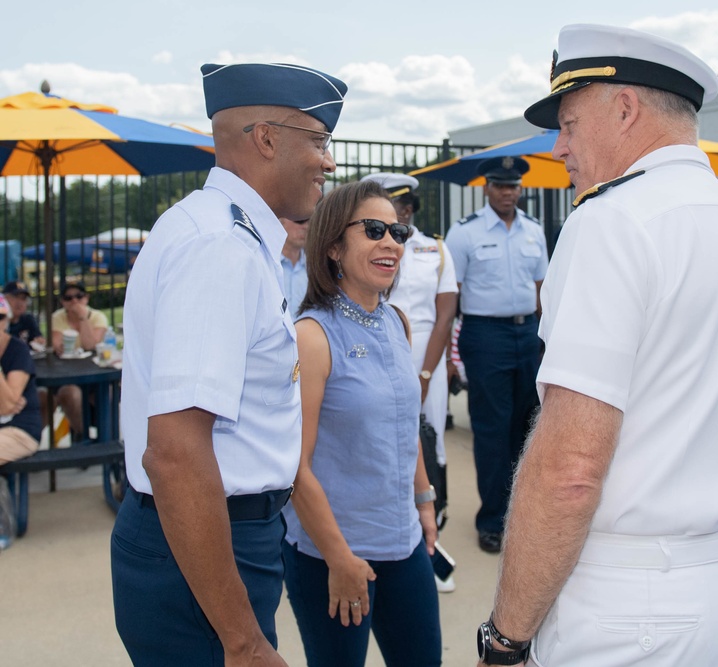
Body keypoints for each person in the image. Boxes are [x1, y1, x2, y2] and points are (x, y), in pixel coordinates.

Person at [477, 24, 718, 667]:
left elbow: (570, 468)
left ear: (624, 109)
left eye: (569, 123)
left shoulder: (611, 223)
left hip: (644, 609)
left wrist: (506, 638)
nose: (560, 148)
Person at [111, 62, 347, 666]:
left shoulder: (227, 233)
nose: (330, 162)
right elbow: (175, 452)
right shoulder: (220, 247)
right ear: (266, 139)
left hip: (215, 537)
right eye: (319, 141)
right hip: (204, 546)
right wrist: (242, 641)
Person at [281, 180, 441, 667]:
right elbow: (294, 467)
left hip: (404, 542)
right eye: (374, 230)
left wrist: (425, 500)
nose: (391, 241)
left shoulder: (397, 321)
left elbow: (402, 421)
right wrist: (338, 558)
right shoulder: (312, 335)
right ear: (332, 247)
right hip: (333, 555)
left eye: (397, 230)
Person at [444, 155, 548, 554]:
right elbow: (450, 295)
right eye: (500, 186)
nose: (508, 193)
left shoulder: (533, 231)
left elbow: (542, 290)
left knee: (528, 432)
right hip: (485, 336)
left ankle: (524, 516)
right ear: (487, 188)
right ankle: (493, 521)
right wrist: (449, 358)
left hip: (528, 336)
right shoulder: (465, 233)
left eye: (514, 186)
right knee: (491, 433)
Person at [363, 172, 460, 591]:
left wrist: (423, 373)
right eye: (388, 205)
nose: (398, 213)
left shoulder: (433, 249)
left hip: (425, 358)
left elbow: (445, 315)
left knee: (428, 443)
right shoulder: (365, 246)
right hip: (375, 350)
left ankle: (430, 543)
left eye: (403, 207)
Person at [51, 282, 109, 439]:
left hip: (94, 373)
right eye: (68, 298)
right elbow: (56, 344)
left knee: (106, 393)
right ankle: (82, 434)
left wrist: (83, 317)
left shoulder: (97, 317)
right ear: (62, 301)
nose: (74, 301)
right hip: (67, 374)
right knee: (69, 393)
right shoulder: (58, 317)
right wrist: (59, 346)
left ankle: (106, 435)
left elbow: (91, 345)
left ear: (86, 298)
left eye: (79, 296)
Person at [0, 294, 42, 466]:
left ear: (7, 319)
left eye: (0, 317)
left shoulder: (17, 350)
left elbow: (8, 406)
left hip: (19, 430)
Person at [279, 215, 310, 316]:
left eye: (310, 222)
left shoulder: (315, 269)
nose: (306, 227)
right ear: (281, 222)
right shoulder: (267, 264)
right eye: (300, 220)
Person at [3, 281, 44, 348]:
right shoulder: (1, 322)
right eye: (15, 297)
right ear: (4, 299)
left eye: (23, 298)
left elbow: (38, 340)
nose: (19, 302)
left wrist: (39, 342)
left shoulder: (28, 320)